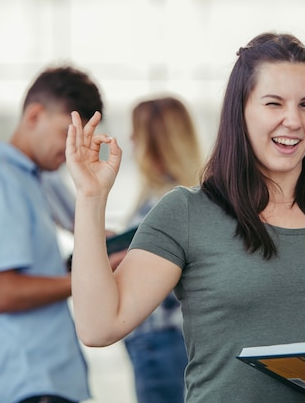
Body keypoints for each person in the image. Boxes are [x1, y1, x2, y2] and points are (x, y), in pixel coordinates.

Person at [65, 32, 305, 403]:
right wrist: (91, 197)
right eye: (273, 103)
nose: (293, 120)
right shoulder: (186, 214)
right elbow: (98, 326)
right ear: (241, 111)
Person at [0, 65, 103, 403]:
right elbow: (1, 292)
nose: (70, 150)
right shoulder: (0, 180)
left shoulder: (35, 179)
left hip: (38, 381)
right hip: (26, 383)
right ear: (34, 115)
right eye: (66, 134)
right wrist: (88, 276)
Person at [121, 96, 202, 403]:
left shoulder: (167, 204)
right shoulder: (183, 198)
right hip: (164, 340)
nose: (129, 141)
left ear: (155, 141)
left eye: (136, 134)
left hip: (162, 343)